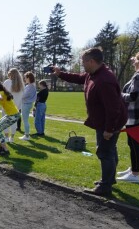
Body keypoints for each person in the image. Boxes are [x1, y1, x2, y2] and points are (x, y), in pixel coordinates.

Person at [54, 47, 127, 196]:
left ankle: (105, 186)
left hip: (109, 122)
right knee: (110, 150)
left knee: (105, 152)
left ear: (92, 61)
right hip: (104, 121)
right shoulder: (93, 74)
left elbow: (113, 109)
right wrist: (60, 73)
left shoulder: (104, 80)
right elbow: (78, 78)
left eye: (83, 62)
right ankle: (109, 179)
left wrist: (109, 129)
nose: (82, 65)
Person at [116, 50, 139, 183]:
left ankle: (135, 174)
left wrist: (119, 95)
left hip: (135, 116)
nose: (133, 61)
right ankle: (133, 169)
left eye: (136, 59)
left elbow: (134, 96)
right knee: (133, 143)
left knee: (135, 144)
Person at [2, 68, 24, 142]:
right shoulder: (21, 85)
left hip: (7, 106)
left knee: (5, 122)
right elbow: (22, 97)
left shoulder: (7, 82)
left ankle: (6, 137)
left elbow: (2, 93)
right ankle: (12, 137)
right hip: (17, 106)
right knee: (13, 122)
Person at [19, 71, 37, 140]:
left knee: (25, 120)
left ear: (29, 78)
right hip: (27, 104)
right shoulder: (30, 86)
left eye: (25, 78)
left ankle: (27, 135)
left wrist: (20, 93)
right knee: (25, 120)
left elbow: (23, 96)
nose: (24, 79)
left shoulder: (30, 86)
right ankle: (26, 135)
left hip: (26, 104)